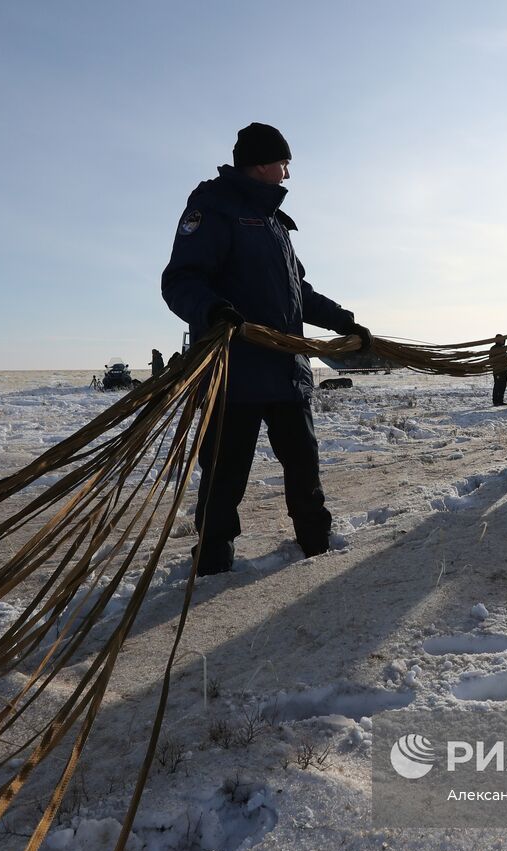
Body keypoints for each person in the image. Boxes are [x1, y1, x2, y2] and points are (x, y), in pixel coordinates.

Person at [161, 122, 373, 576]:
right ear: (260, 164)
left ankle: (316, 544)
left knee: (304, 466)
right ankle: (214, 565)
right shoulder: (212, 207)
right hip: (234, 374)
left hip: (286, 373)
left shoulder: (276, 223)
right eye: (283, 164)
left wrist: (343, 320)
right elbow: (180, 281)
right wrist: (214, 310)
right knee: (224, 474)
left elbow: (298, 292)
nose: (287, 175)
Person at [489, 334, 507, 405]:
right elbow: (491, 359)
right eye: (501, 339)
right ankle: (495, 401)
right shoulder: (494, 348)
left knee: (503, 385)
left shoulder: (503, 348)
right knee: (498, 384)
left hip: (504, 369)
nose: (502, 340)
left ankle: (500, 400)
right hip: (497, 370)